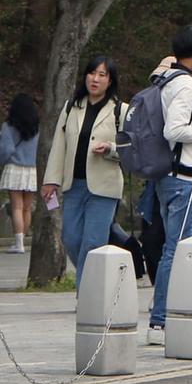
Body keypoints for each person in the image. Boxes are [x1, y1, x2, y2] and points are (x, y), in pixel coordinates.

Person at [147, 25, 192, 342]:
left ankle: (164, 318)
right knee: (180, 251)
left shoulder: (167, 79)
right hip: (185, 177)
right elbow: (174, 130)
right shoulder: (186, 84)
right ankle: (162, 321)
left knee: (173, 249)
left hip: (168, 176)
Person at [41, 58, 124, 285]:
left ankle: (86, 294)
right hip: (74, 185)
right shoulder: (71, 107)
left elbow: (131, 149)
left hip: (104, 188)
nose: (95, 79)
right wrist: (51, 180)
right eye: (91, 73)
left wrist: (110, 149)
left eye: (102, 75)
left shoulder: (120, 110)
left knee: (93, 244)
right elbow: (59, 146)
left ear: (110, 80)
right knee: (70, 238)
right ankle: (94, 284)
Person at [1, 94, 39, 254]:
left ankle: (19, 243)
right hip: (32, 169)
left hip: (14, 168)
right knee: (27, 208)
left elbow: (6, 149)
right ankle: (22, 239)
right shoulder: (37, 127)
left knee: (16, 207)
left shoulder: (8, 126)